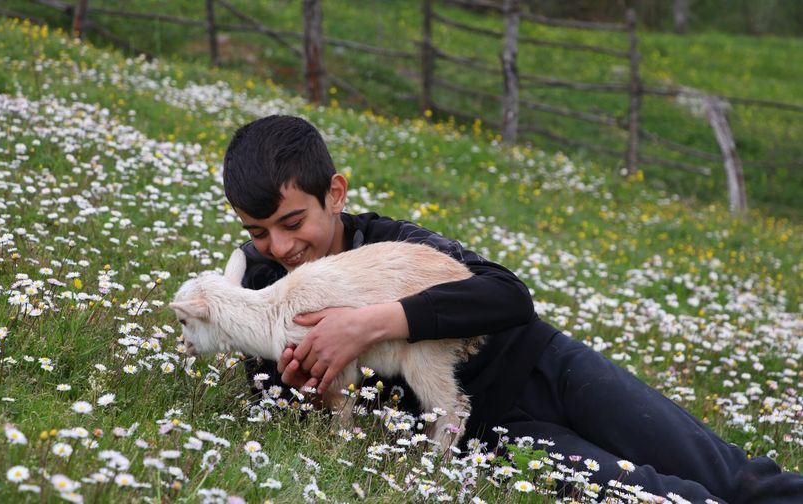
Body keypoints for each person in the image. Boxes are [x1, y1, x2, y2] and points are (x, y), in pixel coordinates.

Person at [221, 114, 803, 503]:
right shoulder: (259, 294)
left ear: (336, 194)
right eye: (259, 231)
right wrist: (314, 393)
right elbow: (295, 423)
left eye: (293, 222)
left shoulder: (388, 242)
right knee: (656, 493)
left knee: (729, 476)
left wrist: (370, 323)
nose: (281, 246)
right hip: (486, 436)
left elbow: (506, 294)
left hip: (547, 368)